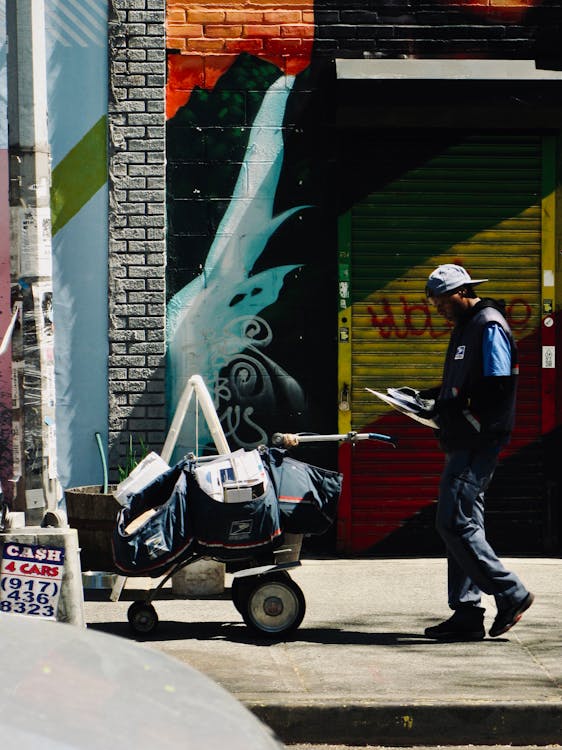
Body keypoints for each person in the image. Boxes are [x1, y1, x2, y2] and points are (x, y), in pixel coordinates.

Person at [421, 263, 534, 641]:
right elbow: (464, 383)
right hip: (462, 438)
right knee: (466, 523)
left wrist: (458, 410)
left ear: (460, 292)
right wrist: (431, 398)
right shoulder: (465, 327)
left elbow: (497, 387)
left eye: (440, 301)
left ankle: (511, 592)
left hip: (477, 440)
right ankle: (468, 613)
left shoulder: (487, 325)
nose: (438, 308)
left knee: (452, 521)